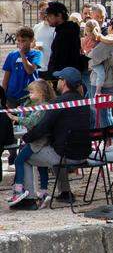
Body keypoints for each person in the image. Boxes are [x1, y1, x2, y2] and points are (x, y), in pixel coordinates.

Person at [21, 67, 92, 205]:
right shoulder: (84, 102)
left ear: (64, 82)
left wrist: (26, 138)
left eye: (59, 79)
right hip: (84, 153)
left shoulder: (58, 102)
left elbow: (43, 127)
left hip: (65, 155)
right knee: (58, 148)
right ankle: (65, 192)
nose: (56, 82)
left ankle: (28, 199)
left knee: (23, 158)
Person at [7, 79, 53, 204]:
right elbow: (31, 116)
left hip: (37, 141)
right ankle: (43, 192)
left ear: (41, 93)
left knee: (19, 160)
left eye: (32, 92)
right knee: (41, 166)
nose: (29, 94)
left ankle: (19, 189)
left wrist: (14, 117)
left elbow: (31, 121)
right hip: (42, 140)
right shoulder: (41, 105)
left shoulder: (42, 107)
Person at [45, 1, 87, 81]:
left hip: (64, 78)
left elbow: (64, 57)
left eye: (50, 16)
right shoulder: (62, 31)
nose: (47, 19)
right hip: (60, 75)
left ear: (59, 15)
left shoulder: (67, 32)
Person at [3, 27, 42, 106]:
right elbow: (6, 77)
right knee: (10, 116)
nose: (20, 43)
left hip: (29, 95)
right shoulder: (12, 55)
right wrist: (3, 95)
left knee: (25, 118)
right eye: (18, 41)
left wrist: (22, 54)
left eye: (23, 41)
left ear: (31, 40)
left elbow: (30, 70)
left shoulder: (36, 54)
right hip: (12, 95)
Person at [33, 1, 54, 77]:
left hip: (53, 67)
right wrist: (35, 48)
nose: (43, 13)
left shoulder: (56, 28)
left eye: (45, 11)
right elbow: (32, 44)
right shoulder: (36, 27)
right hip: (39, 67)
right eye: (41, 11)